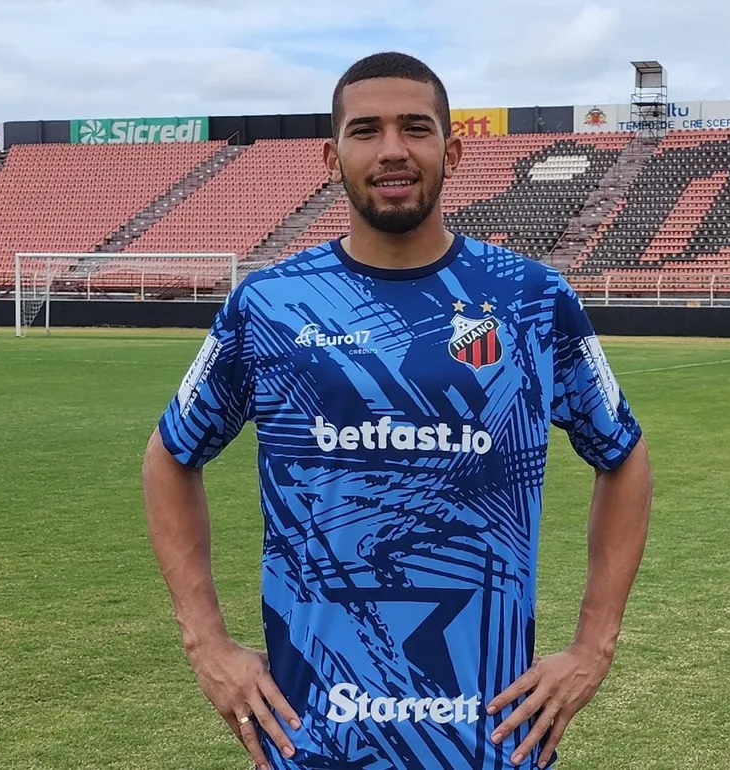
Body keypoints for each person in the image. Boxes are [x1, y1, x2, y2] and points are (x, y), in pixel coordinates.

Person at [141, 51, 652, 770]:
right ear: (331, 154)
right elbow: (170, 454)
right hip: (316, 741)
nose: (392, 150)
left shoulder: (531, 299)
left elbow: (622, 452)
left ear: (454, 149)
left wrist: (594, 646)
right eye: (365, 130)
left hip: (489, 742)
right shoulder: (269, 304)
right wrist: (207, 643)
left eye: (415, 128)